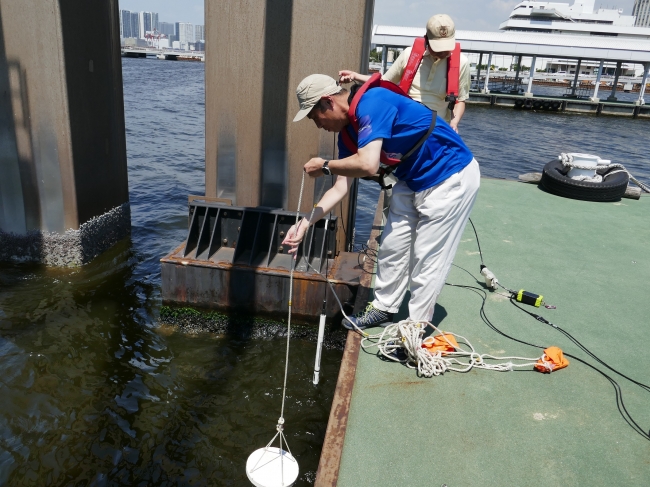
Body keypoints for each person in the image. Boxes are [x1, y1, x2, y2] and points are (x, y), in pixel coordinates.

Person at [282, 73, 480, 329]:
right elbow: (340, 187)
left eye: (314, 116)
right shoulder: (347, 135)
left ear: (327, 102)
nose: (317, 125)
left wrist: (325, 165)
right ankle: (384, 309)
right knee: (392, 246)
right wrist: (305, 224)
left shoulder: (372, 102)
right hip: (412, 179)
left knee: (428, 257)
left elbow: (367, 163)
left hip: (450, 175)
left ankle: (415, 327)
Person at [339, 14, 470, 133]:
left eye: (446, 47)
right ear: (427, 40)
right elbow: (384, 82)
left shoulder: (462, 63)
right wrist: (355, 76)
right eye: (438, 48)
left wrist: (454, 122)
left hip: (438, 128)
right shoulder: (409, 55)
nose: (443, 52)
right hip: (406, 124)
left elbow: (460, 100)